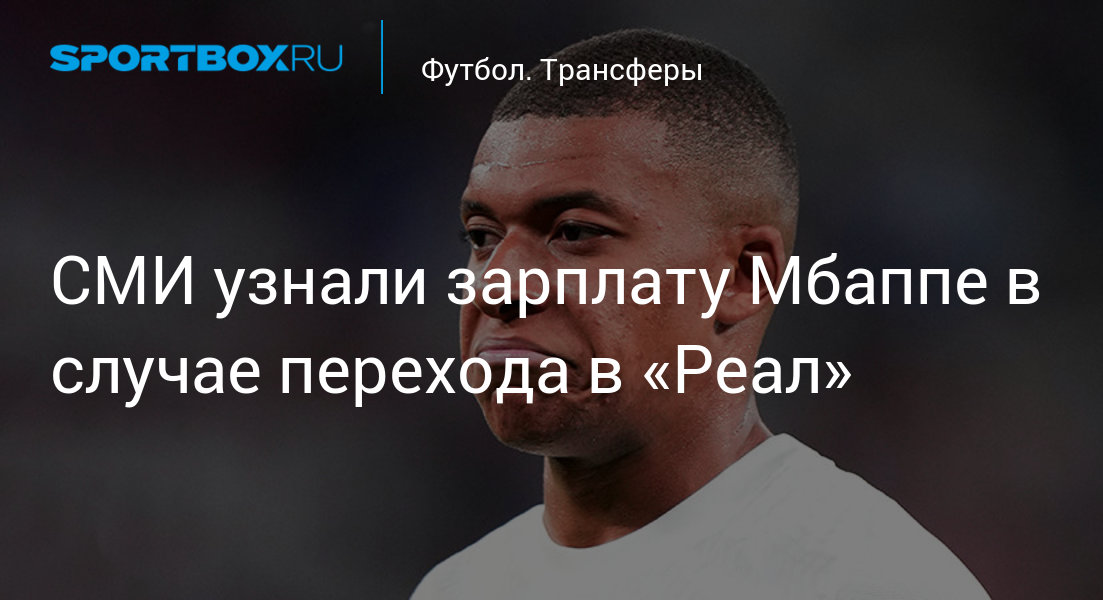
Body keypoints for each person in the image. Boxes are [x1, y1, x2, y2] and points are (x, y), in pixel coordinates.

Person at [413, 29, 990, 600]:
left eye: (576, 232)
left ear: (741, 276)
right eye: (482, 236)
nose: (497, 287)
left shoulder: (871, 583)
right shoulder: (455, 588)